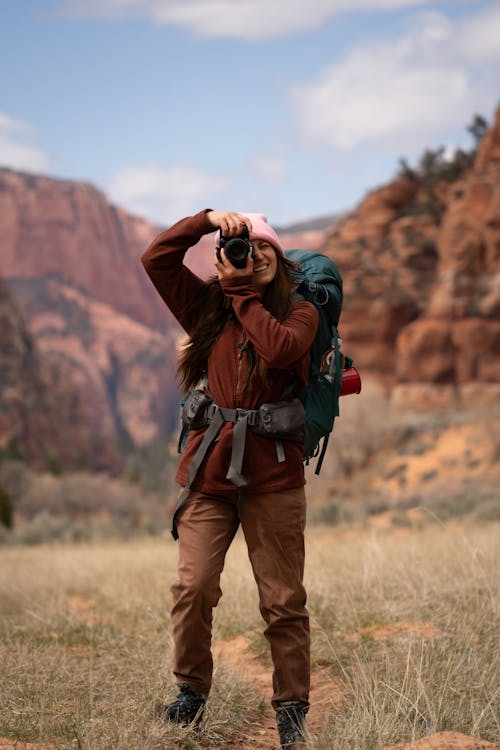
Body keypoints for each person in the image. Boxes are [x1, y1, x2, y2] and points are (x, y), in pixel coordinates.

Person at [141, 209, 319, 748]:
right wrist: (205, 219)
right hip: (209, 473)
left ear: (279, 257)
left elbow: (281, 350)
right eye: (242, 247)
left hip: (274, 477)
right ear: (224, 256)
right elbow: (156, 259)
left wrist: (240, 292)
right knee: (192, 587)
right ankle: (190, 693)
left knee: (283, 600)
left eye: (264, 247)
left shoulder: (302, 312)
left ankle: (291, 711)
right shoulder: (206, 309)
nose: (254, 255)